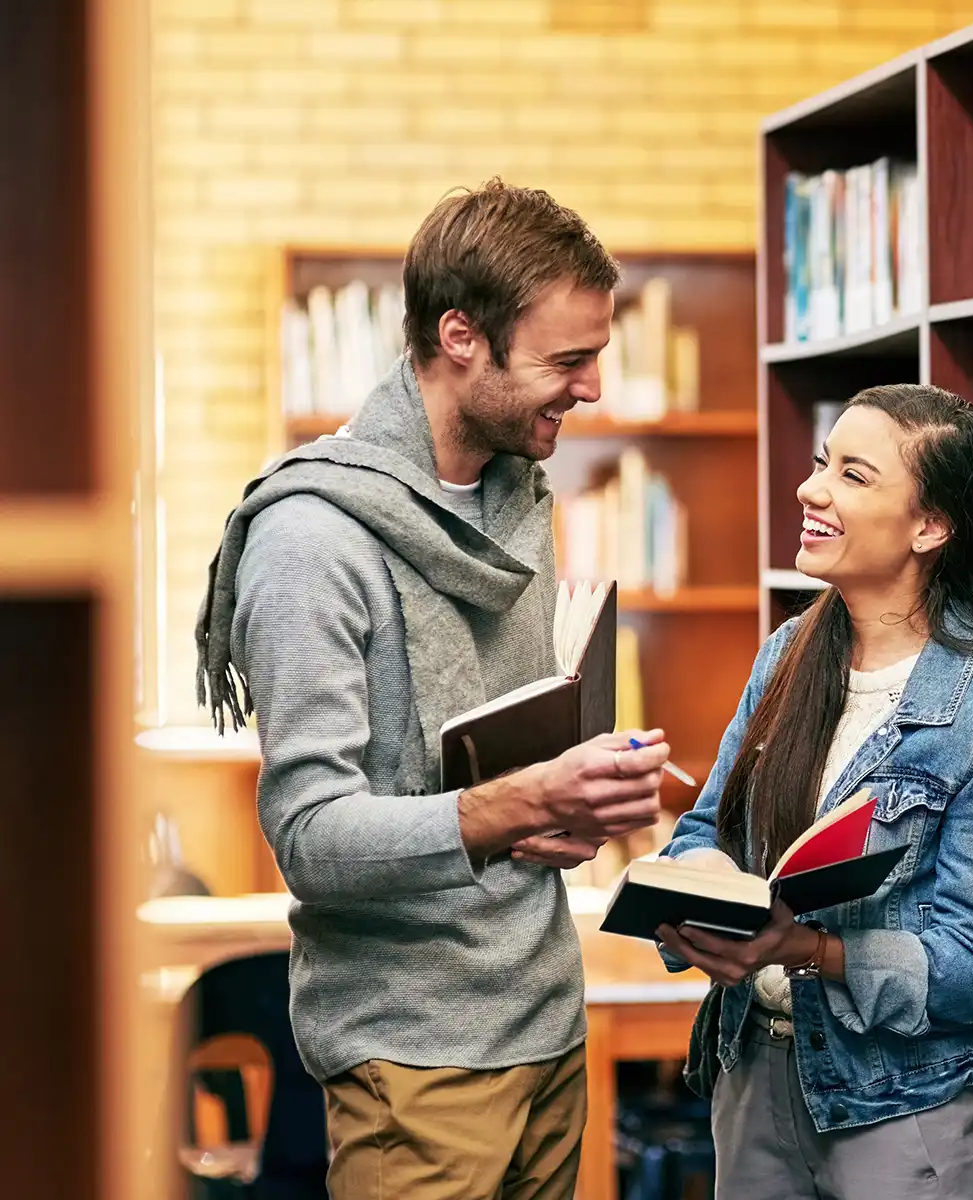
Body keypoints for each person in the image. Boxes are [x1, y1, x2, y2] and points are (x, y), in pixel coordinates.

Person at [194, 178, 671, 1199]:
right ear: (461, 337)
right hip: (411, 1058)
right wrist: (524, 802)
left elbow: (493, 765)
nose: (592, 390)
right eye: (567, 361)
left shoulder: (520, 500)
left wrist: (566, 809)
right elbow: (314, 839)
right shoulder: (312, 541)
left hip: (548, 1020)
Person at [655, 384, 973, 1199]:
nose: (813, 490)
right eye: (821, 465)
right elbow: (705, 828)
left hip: (900, 1108)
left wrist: (806, 949)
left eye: (853, 475)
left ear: (931, 527)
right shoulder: (788, 655)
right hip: (753, 1076)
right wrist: (700, 885)